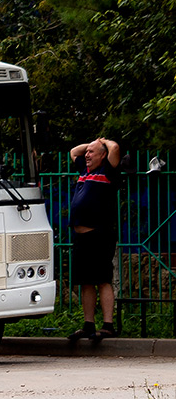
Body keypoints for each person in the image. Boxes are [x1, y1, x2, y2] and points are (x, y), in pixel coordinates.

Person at [67, 137, 123, 343]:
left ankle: (108, 326)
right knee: (86, 282)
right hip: (81, 236)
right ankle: (88, 325)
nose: (87, 155)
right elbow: (74, 150)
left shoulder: (108, 171)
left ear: (103, 155)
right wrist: (92, 144)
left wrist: (103, 142)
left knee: (102, 279)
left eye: (91, 152)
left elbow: (115, 147)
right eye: (87, 152)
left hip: (99, 234)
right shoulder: (85, 171)